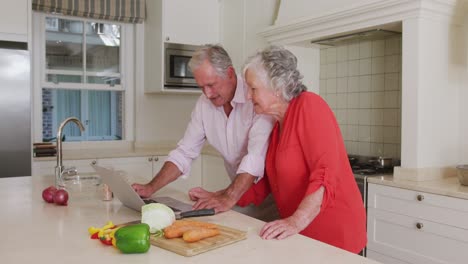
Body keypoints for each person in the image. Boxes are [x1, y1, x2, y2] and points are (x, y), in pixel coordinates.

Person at [241, 45, 366, 253]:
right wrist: (225, 198)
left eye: (253, 88)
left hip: (334, 236)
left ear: (277, 88)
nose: (247, 96)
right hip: (304, 235)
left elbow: (325, 175)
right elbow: (269, 183)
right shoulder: (278, 124)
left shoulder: (310, 106)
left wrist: (296, 221)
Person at [132, 44, 275, 216]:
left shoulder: (255, 97)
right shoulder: (204, 104)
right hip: (240, 194)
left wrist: (227, 196)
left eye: (211, 85)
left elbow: (255, 157)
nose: (207, 94)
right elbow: (185, 152)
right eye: (201, 87)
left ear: (229, 73)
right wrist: (150, 187)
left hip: (272, 197)